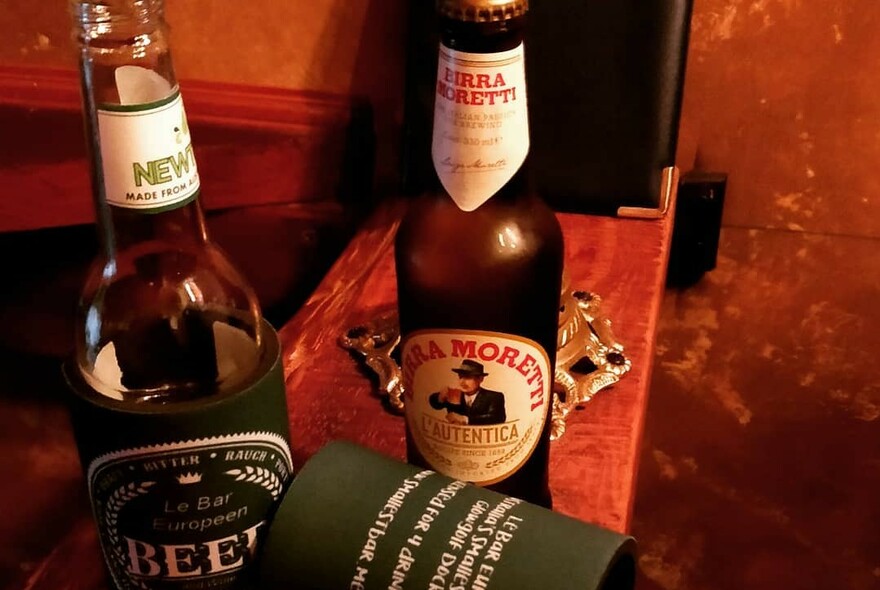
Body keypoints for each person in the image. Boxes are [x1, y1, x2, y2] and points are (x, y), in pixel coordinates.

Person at [429, 360, 506, 425]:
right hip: (454, 439)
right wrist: (440, 397)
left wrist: (465, 419)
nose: (462, 382)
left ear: (480, 379)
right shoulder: (455, 394)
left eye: (467, 377)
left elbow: (497, 418)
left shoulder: (494, 397)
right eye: (460, 377)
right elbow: (435, 404)